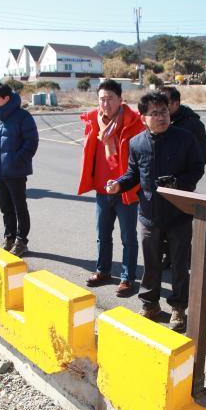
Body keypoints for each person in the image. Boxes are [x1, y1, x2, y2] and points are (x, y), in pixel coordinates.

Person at [105, 92, 204, 331]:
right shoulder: (136, 143)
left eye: (164, 112)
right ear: (143, 118)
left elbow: (197, 168)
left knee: (180, 264)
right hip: (149, 214)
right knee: (150, 263)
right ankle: (150, 304)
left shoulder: (185, 138)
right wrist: (119, 184)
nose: (161, 117)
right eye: (155, 113)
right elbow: (133, 175)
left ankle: (179, 309)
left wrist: (178, 183)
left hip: (179, 213)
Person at [78, 79, 146, 296]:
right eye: (102, 99)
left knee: (128, 237)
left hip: (125, 190)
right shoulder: (93, 122)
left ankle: (127, 278)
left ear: (120, 100)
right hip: (102, 189)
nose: (105, 104)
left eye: (110, 99)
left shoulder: (134, 123)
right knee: (103, 235)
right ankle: (103, 270)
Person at [0, 82, 39, 257]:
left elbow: (31, 142)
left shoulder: (22, 116)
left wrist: (17, 161)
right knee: (5, 207)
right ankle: (9, 237)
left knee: (19, 208)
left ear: (6, 98)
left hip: (15, 171)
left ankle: (22, 241)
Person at [158, 86, 206, 269]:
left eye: (166, 104)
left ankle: (183, 257)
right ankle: (169, 255)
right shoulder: (159, 120)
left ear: (176, 104)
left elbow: (202, 156)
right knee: (162, 222)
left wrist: (187, 180)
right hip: (161, 184)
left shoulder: (193, 124)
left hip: (182, 184)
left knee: (180, 225)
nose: (161, 108)